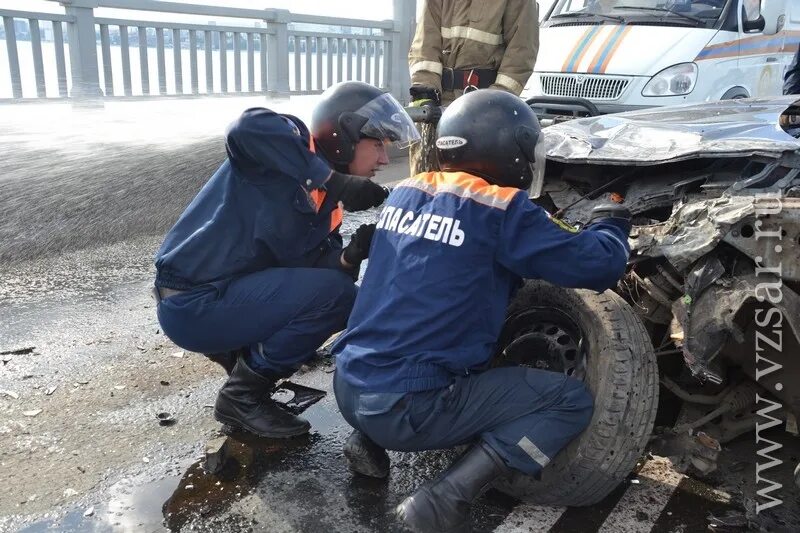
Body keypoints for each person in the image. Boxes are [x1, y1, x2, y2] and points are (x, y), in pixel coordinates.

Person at [332, 90, 632, 532]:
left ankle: (368, 440)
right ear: (511, 150)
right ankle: (445, 498)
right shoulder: (501, 209)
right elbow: (598, 265)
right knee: (567, 402)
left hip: (348, 384)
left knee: (420, 320)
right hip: (405, 409)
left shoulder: (407, 191)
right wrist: (612, 224)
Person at [153, 81, 420, 439]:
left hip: (224, 297)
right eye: (378, 145)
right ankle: (242, 396)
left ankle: (243, 363)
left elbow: (315, 277)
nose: (385, 160)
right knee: (339, 297)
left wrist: (351, 254)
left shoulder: (326, 206)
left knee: (337, 288)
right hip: (192, 302)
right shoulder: (286, 147)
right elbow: (245, 127)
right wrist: (332, 179)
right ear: (345, 134)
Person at [407, 0, 540, 174]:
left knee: (475, 181)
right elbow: (424, 45)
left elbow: (520, 55)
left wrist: (493, 105)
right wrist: (425, 94)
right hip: (438, 102)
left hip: (483, 107)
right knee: (425, 178)